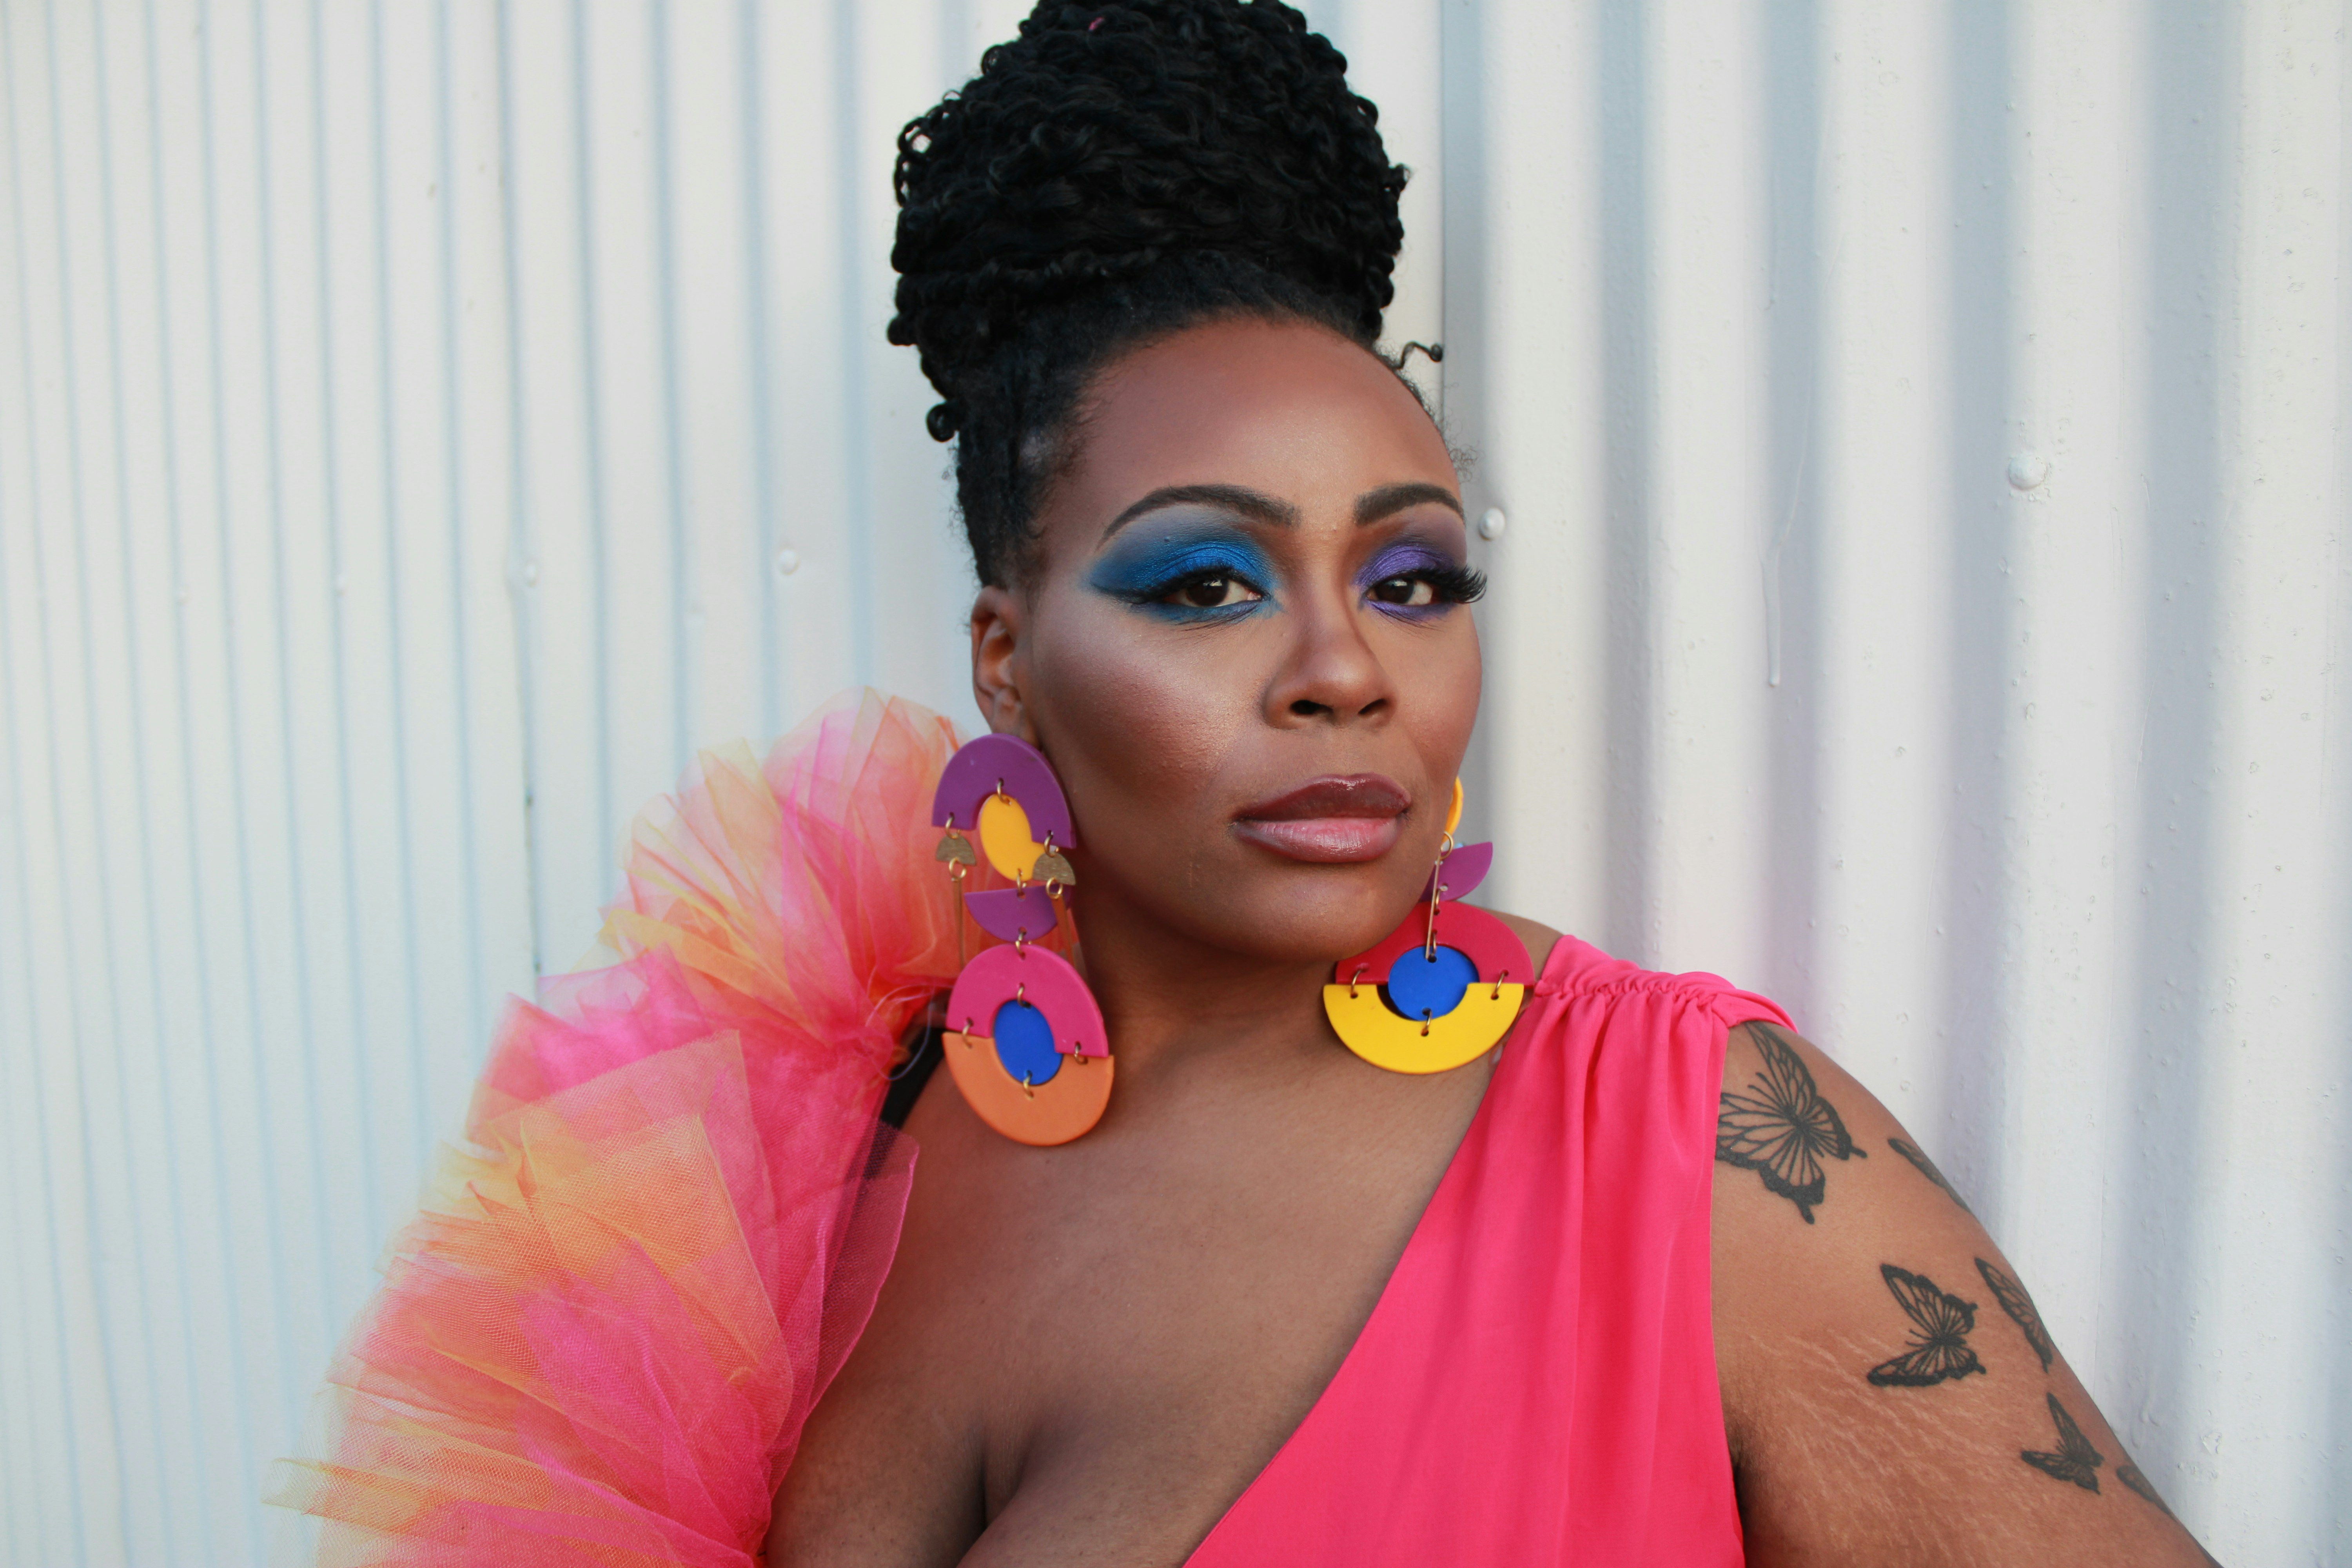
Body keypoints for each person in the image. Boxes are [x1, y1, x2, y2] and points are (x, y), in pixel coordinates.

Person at [274, 4, 2220, 1564]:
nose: (1345, 667)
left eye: (1413, 578)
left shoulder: (1704, 1151)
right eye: (1206, 581)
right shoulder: (815, 1134)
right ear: (1008, 660)